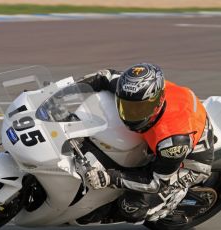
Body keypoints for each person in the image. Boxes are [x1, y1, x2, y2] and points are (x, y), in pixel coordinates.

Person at [80, 63, 214, 223]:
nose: (131, 115)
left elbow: (156, 182)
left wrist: (110, 178)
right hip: (181, 125)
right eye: (126, 107)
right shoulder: (136, 90)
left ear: (157, 103)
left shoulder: (172, 142)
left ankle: (174, 197)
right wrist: (69, 90)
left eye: (140, 109)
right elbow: (105, 76)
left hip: (189, 161)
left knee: (131, 207)